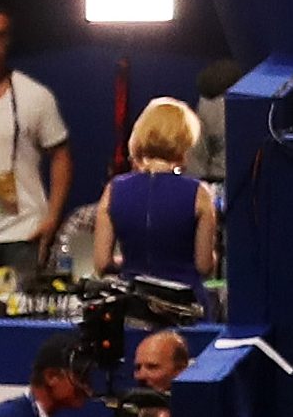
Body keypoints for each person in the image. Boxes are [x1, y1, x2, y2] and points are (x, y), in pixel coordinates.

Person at [90, 95, 218, 289]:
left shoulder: (114, 190)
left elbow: (101, 263)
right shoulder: (199, 193)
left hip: (134, 304)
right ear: (185, 140)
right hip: (183, 305)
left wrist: (131, 265)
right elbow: (204, 266)